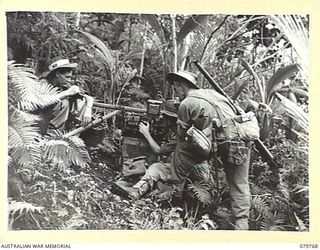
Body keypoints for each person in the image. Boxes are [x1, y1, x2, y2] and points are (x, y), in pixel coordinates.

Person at [166, 70, 257, 230]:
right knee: (239, 182)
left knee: (180, 151)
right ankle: (242, 224)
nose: (176, 92)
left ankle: (176, 200)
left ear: (181, 87)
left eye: (176, 88)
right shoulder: (215, 94)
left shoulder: (186, 104)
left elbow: (181, 135)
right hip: (240, 140)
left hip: (217, 142)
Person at [36, 57, 93, 135]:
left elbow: (88, 98)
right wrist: (66, 93)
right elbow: (41, 103)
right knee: (64, 101)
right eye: (67, 77)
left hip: (54, 123)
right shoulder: (43, 83)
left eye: (70, 77)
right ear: (57, 74)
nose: (69, 80)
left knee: (81, 100)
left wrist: (88, 110)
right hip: (40, 123)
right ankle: (53, 135)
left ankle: (71, 131)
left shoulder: (63, 85)